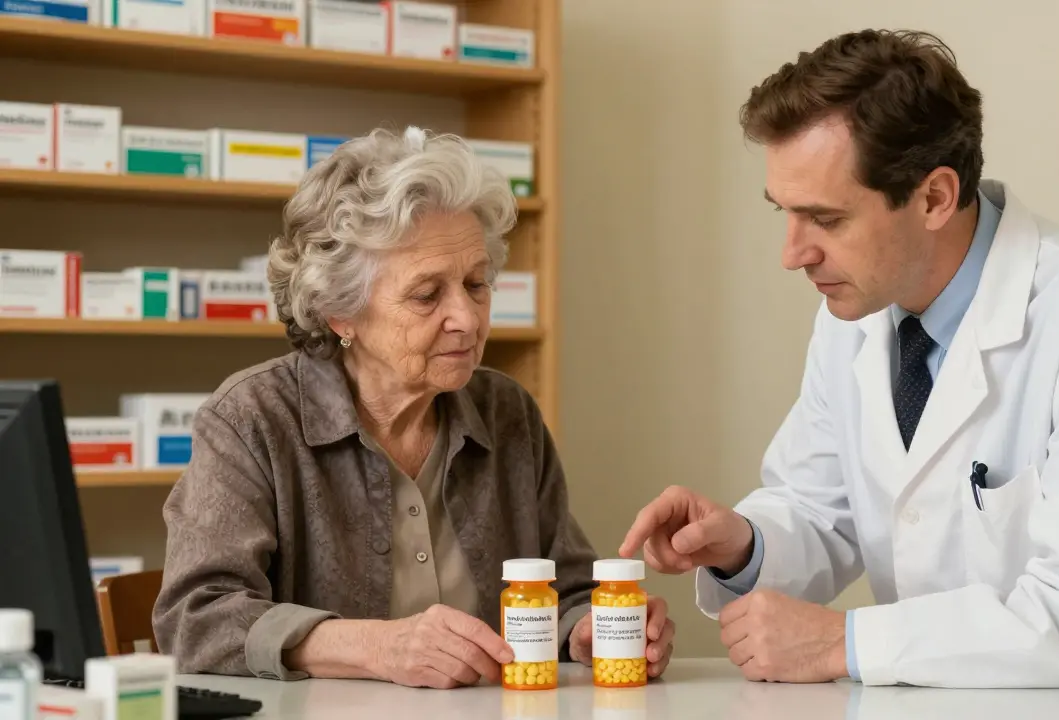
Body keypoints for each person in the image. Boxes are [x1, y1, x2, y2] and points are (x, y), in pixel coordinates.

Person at [621, 30, 1059, 690]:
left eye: (824, 218)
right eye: (784, 214)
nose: (792, 253)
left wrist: (843, 642)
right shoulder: (855, 315)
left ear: (934, 197)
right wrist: (742, 542)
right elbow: (822, 510)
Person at [152, 127, 676, 688]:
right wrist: (372, 646)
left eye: (477, 284)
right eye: (427, 295)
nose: (468, 319)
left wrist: (592, 628)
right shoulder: (252, 419)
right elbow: (195, 619)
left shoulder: (507, 412)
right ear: (338, 312)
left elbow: (567, 587)